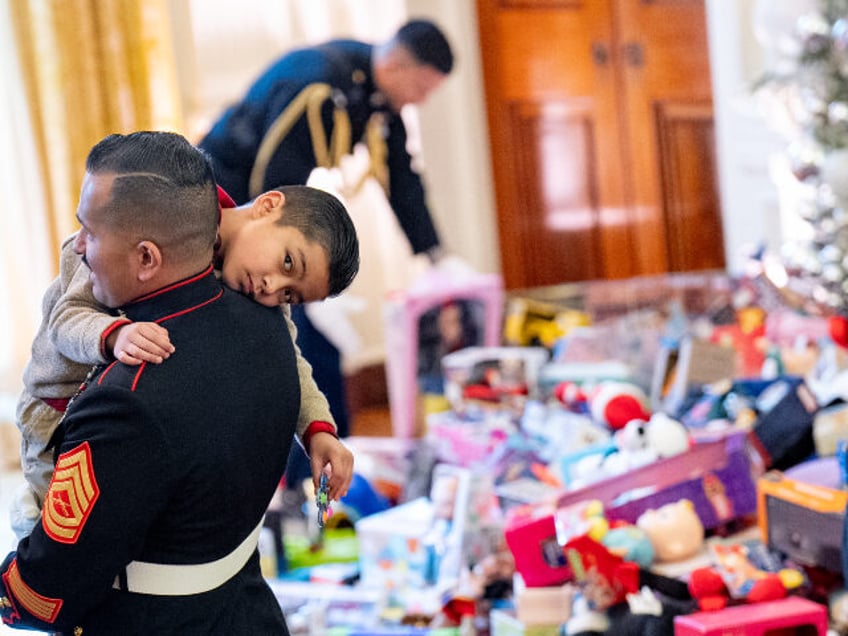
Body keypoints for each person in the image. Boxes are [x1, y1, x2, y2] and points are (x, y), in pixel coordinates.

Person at [0, 130, 337, 633]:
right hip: (248, 609)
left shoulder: (126, 397)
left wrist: (16, 589)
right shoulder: (263, 319)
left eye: (90, 233)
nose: (78, 247)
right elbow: (65, 318)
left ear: (146, 258)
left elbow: (53, 587)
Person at [12, 179, 359, 540]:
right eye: (288, 262)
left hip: (127, 421)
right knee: (57, 528)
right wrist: (113, 333)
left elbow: (291, 359)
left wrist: (318, 431)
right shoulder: (160, 223)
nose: (272, 287)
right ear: (268, 205)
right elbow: (63, 321)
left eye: (291, 293)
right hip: (58, 410)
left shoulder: (250, 279)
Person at [199, 18, 455, 472]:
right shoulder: (318, 85)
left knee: (313, 353)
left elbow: (403, 180)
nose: (420, 100)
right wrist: (283, 275)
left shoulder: (372, 92)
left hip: (267, 234)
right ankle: (307, 482)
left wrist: (439, 259)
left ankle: (328, 467)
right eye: (421, 87)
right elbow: (271, 194)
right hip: (222, 219)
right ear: (397, 65)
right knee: (303, 355)